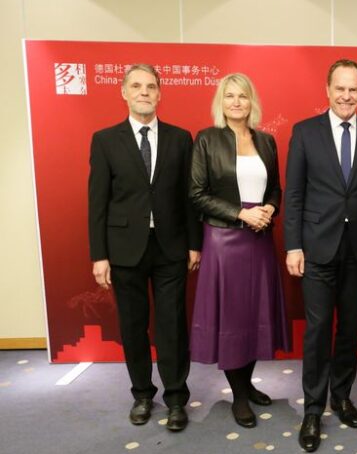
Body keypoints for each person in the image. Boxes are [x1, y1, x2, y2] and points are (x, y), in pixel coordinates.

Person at [284, 59, 357, 452]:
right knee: (316, 331)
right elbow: (293, 194)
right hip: (316, 247)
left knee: (349, 327)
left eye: (354, 89)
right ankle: (313, 409)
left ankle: (341, 396)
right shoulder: (305, 132)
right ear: (327, 90)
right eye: (340, 88)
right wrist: (293, 245)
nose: (347, 96)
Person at [88, 63, 201, 431]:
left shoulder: (181, 138)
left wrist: (194, 245)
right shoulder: (105, 140)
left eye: (151, 86)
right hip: (123, 250)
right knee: (134, 325)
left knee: (171, 326)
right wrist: (99, 255)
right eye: (136, 86)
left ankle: (175, 399)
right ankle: (141, 394)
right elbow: (97, 202)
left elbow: (189, 198)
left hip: (170, 248)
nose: (144, 92)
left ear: (160, 93)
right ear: (123, 92)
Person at [189, 73, 289, 428]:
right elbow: (197, 193)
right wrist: (240, 213)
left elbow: (276, 189)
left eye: (242, 96)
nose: (236, 102)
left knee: (254, 315)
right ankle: (240, 396)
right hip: (224, 241)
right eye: (229, 96)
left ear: (252, 102)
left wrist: (269, 210)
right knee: (232, 318)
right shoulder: (207, 139)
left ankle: (247, 383)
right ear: (221, 102)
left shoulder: (266, 141)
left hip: (259, 240)